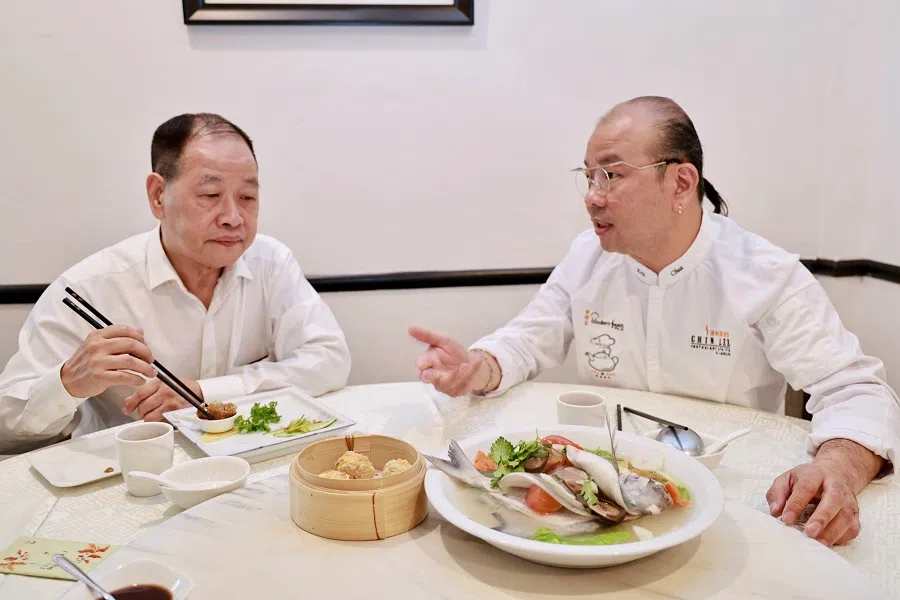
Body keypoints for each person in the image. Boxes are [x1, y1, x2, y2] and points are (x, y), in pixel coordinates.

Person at [409, 96, 900, 547]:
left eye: (612, 176)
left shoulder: (764, 273)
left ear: (681, 183)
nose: (592, 197)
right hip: (605, 492)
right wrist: (477, 366)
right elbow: (527, 340)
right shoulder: (589, 257)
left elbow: (854, 389)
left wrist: (838, 464)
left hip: (735, 500)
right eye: (588, 176)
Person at [0, 113, 351, 453]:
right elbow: (6, 433)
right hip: (130, 483)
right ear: (157, 196)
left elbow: (329, 360)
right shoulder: (90, 288)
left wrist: (205, 391)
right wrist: (67, 383)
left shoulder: (270, 263)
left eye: (247, 197)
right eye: (210, 195)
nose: (232, 218)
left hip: (249, 465)